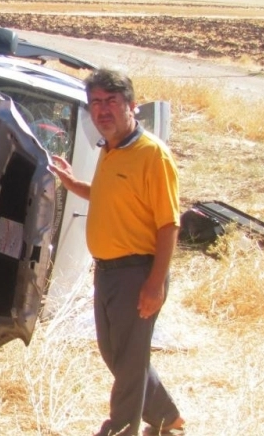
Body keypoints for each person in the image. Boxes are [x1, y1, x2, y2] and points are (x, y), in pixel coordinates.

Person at [50, 68, 184, 436]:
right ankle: (167, 418)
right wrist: (73, 183)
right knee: (118, 355)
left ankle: (119, 428)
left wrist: (154, 284)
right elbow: (109, 196)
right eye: (96, 103)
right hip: (107, 271)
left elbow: (168, 224)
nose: (103, 110)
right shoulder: (110, 150)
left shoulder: (152, 154)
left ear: (132, 106)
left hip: (137, 272)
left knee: (128, 360)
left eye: (111, 101)